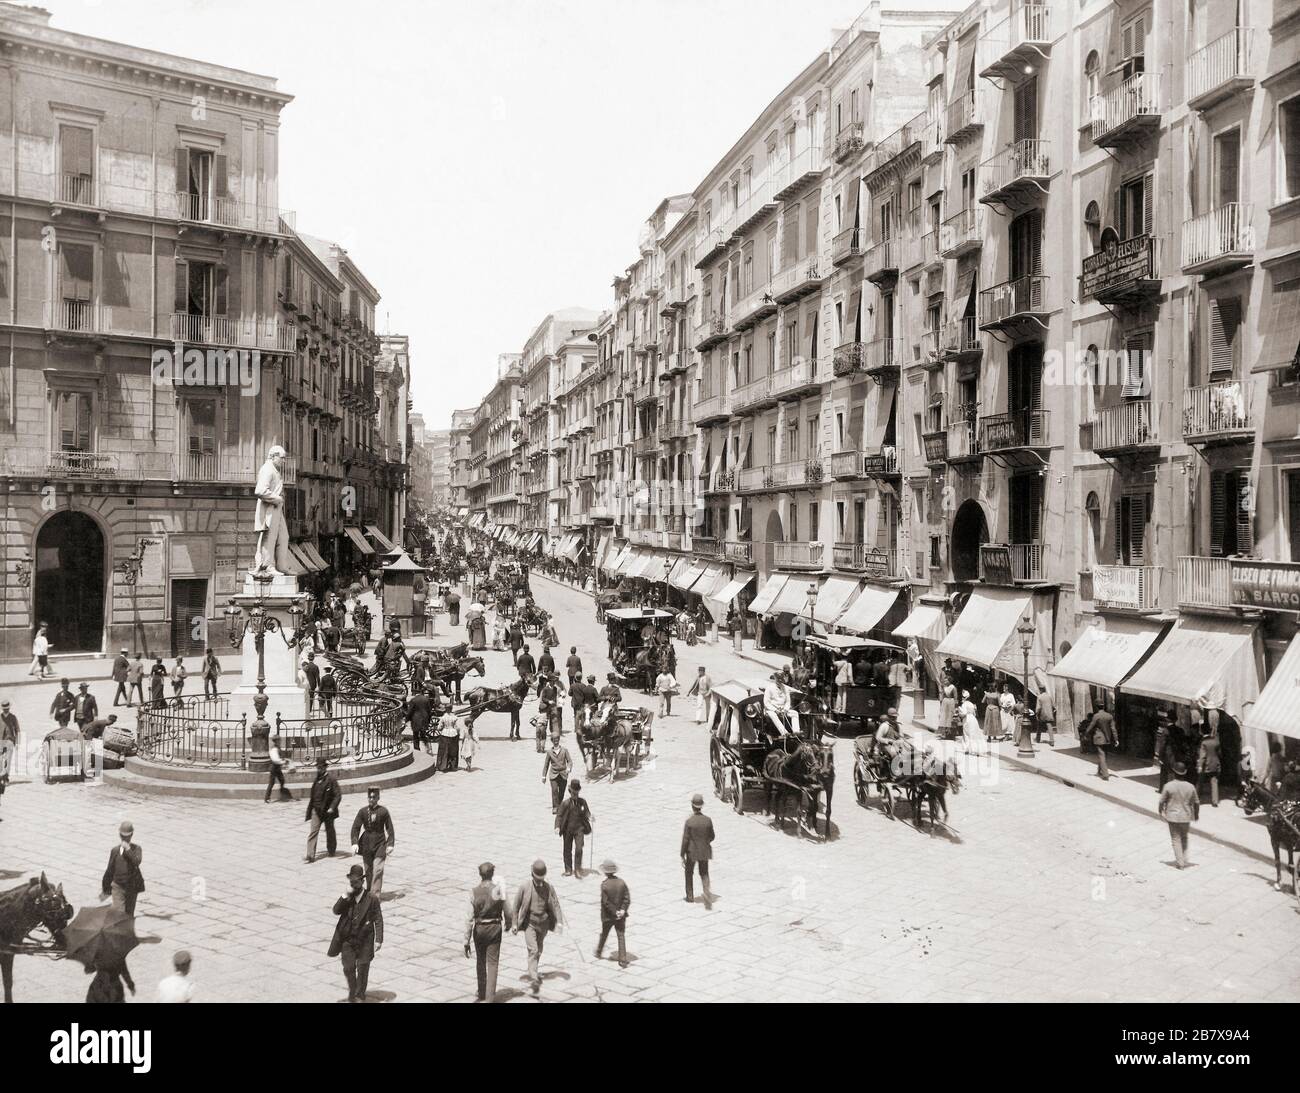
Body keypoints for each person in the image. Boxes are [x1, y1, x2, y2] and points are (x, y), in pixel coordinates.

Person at [329, 864, 383, 1003]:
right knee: (348, 968)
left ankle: (359, 995)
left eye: (357, 881)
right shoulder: (348, 897)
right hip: (348, 939)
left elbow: (378, 918)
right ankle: (353, 990)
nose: (354, 884)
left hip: (365, 939)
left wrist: (379, 939)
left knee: (363, 967)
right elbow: (336, 910)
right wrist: (345, 895)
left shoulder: (371, 898)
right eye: (352, 881)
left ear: (362, 882)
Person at [510, 860, 564, 998]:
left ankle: (533, 969)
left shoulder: (548, 887)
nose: (540, 881)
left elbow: (556, 904)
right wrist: (515, 924)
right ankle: (534, 979)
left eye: (542, 879)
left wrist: (559, 922)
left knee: (538, 950)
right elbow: (515, 906)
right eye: (537, 879)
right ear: (532, 875)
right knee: (533, 949)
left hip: (544, 924)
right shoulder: (525, 887)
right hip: (530, 923)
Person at [464, 862, 509, 1002]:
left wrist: (466, 940)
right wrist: (508, 923)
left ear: (480, 875)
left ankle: (482, 992)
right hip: (495, 928)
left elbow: (469, 918)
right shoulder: (498, 890)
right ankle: (489, 998)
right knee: (493, 963)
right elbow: (508, 910)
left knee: (481, 961)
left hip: (480, 929)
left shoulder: (473, 892)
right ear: (492, 874)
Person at [350, 787, 396, 895]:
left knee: (378, 870)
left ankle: (375, 896)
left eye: (374, 797)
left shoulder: (384, 811)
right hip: (366, 844)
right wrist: (354, 843)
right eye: (369, 797)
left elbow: (390, 828)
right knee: (369, 871)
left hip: (380, 843)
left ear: (378, 798)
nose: (371, 799)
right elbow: (355, 827)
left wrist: (390, 844)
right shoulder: (362, 811)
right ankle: (370, 892)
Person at [1158, 760, 1199, 869]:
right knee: (1184, 838)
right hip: (1186, 816)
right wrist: (1196, 815)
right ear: (1184, 773)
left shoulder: (1168, 786)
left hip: (1172, 816)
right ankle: (1184, 860)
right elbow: (1196, 802)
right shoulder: (1191, 787)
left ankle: (1180, 863)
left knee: (1175, 839)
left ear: (1174, 773)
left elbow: (1161, 801)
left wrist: (1160, 811)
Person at [100, 820, 145, 917]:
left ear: (131, 835)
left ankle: (126, 931)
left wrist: (128, 849)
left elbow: (136, 861)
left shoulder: (136, 849)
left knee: (129, 914)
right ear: (120, 835)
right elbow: (110, 870)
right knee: (118, 913)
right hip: (118, 887)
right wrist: (105, 888)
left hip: (131, 888)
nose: (125, 838)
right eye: (123, 836)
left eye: (127, 836)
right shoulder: (115, 850)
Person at [305, 757, 342, 862]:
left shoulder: (331, 780)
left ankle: (331, 850)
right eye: (318, 767)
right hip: (316, 811)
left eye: (321, 767)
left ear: (325, 768)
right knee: (313, 831)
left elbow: (337, 795)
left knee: (330, 831)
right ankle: (310, 855)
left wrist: (332, 807)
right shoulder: (316, 779)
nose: (319, 769)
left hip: (327, 811)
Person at [681, 793, 715, 908]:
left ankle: (690, 896)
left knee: (689, 872)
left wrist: (682, 854)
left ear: (692, 806)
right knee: (704, 873)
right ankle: (706, 894)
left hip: (692, 852)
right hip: (704, 851)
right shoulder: (708, 820)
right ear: (701, 806)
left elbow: (685, 840)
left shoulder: (689, 821)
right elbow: (712, 836)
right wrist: (705, 842)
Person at [595, 859, 630, 968]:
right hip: (621, 916)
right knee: (621, 936)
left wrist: (615, 912)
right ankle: (623, 959)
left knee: (604, 934)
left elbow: (606, 903)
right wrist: (622, 910)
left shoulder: (604, 885)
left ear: (605, 872)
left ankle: (599, 951)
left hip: (608, 917)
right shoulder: (622, 883)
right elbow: (626, 898)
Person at [555, 778, 593, 877]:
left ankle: (577, 869)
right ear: (570, 792)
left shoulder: (582, 802)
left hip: (579, 829)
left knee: (579, 848)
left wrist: (590, 816)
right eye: (573, 793)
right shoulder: (565, 803)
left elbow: (587, 812)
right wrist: (557, 827)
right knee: (567, 849)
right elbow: (559, 815)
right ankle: (568, 869)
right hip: (567, 830)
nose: (575, 795)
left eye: (577, 793)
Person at [542, 730, 572, 813]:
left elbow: (570, 761)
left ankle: (559, 804)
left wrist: (568, 769)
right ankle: (555, 807)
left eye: (557, 739)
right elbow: (546, 765)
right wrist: (543, 776)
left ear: (559, 740)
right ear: (552, 741)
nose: (555, 741)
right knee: (554, 790)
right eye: (554, 740)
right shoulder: (549, 752)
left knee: (561, 791)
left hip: (563, 774)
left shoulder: (564, 750)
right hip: (553, 774)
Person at [0, 700, 18, 820]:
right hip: (0, 742)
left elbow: (17, 729)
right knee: (1, 760)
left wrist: (18, 741)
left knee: (8, 760)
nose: (6, 709)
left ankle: (5, 777)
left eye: (7, 708)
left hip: (10, 740)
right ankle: (2, 775)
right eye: (4, 708)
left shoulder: (13, 717)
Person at [1090, 706, 1117, 780]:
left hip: (1099, 738)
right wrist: (1116, 739)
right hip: (1107, 739)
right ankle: (1099, 771)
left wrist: (1086, 734)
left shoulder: (1096, 716)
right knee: (1103, 754)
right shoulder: (1109, 716)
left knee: (1101, 755)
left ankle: (1105, 774)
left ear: (1097, 707)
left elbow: (1091, 726)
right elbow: (1113, 728)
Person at [1197, 725, 1221, 808]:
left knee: (1200, 781)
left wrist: (1200, 766)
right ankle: (1215, 801)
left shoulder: (1204, 742)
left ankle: (1197, 799)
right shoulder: (1216, 741)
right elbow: (1219, 753)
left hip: (1205, 765)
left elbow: (1202, 755)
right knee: (1214, 782)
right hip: (1215, 764)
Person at [265, 733, 292, 802]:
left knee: (282, 780)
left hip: (277, 768)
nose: (280, 742)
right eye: (279, 740)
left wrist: (284, 760)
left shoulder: (277, 748)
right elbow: (275, 760)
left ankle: (282, 795)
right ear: (276, 741)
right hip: (274, 768)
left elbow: (280, 757)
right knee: (272, 783)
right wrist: (283, 762)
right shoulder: (274, 749)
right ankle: (267, 798)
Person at [407, 686, 432, 754]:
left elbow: (410, 712)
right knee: (423, 734)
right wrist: (428, 720)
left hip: (415, 720)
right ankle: (428, 746)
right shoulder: (426, 699)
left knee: (415, 736)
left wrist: (407, 719)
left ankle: (417, 750)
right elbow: (429, 711)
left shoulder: (413, 700)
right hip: (424, 719)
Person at [436, 707, 461, 772]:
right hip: (453, 734)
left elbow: (439, 728)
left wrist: (442, 728)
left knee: (443, 750)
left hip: (445, 734)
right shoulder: (455, 717)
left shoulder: (443, 717)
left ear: (446, 709)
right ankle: (452, 766)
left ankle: (443, 766)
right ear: (451, 709)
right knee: (453, 750)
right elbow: (457, 727)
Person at [960, 690, 985, 755]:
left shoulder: (964, 704)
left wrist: (960, 713)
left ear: (965, 698)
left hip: (967, 719)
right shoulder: (971, 704)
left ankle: (967, 749)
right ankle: (974, 749)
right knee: (973, 734)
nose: (962, 698)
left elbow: (964, 713)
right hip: (973, 719)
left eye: (963, 697)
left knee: (966, 734)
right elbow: (974, 713)